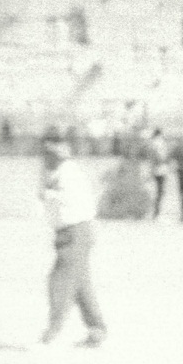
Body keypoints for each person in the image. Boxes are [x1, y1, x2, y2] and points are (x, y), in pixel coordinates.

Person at [38, 137, 107, 347]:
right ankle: (97, 331)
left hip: (75, 231)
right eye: (46, 153)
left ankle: (51, 335)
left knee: (59, 281)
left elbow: (69, 199)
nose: (47, 157)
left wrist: (47, 193)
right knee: (80, 284)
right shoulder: (55, 172)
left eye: (52, 153)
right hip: (69, 232)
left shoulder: (68, 172)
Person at [147, 128, 170, 220]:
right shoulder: (160, 143)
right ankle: (156, 212)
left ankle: (155, 212)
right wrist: (164, 161)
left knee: (156, 191)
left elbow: (152, 157)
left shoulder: (152, 143)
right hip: (161, 169)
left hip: (154, 169)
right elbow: (161, 156)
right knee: (160, 191)